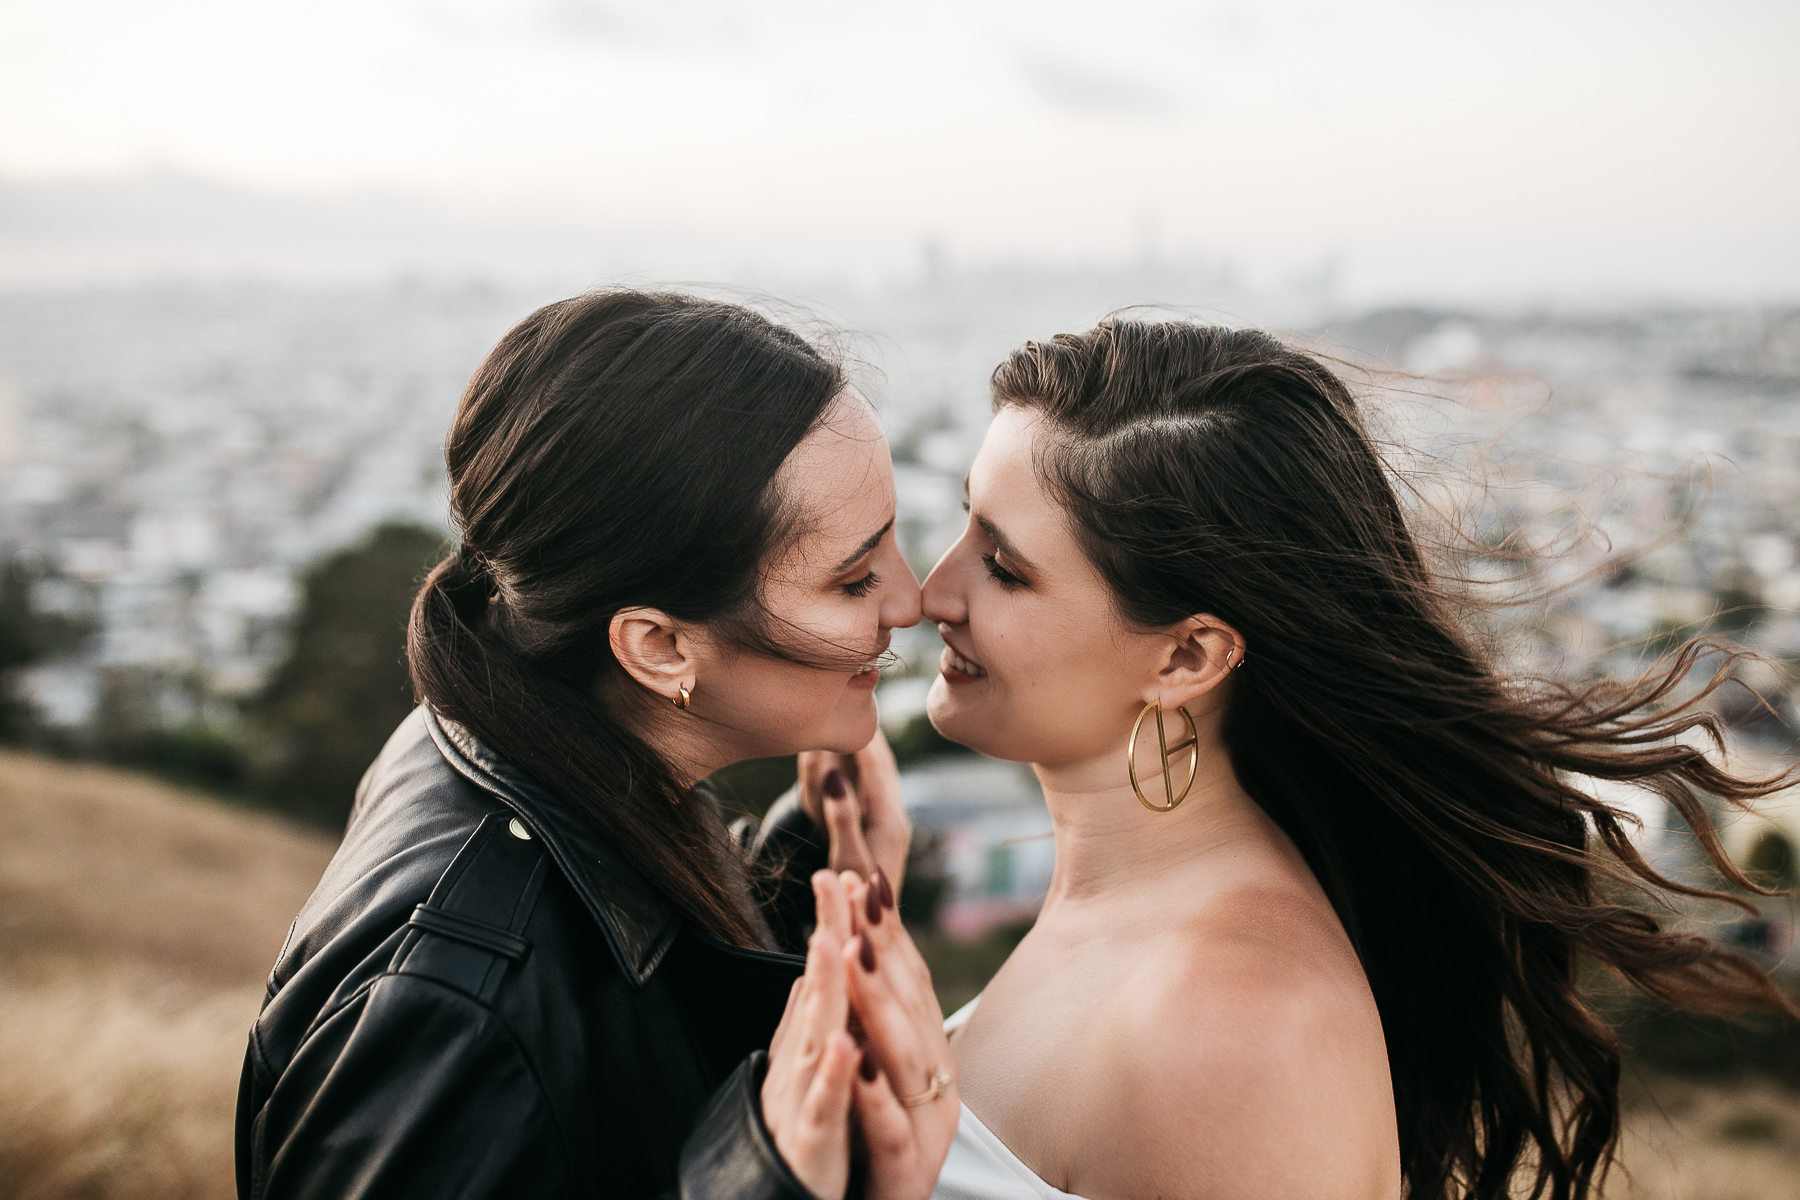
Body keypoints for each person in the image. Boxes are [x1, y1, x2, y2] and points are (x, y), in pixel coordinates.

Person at [915, 320, 1796, 1200]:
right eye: (964, 522)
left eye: (1003, 567)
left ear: (1186, 657)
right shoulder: (1133, 916)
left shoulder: (1237, 1025)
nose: (932, 592)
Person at [234, 290, 958, 1199]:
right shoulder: (453, 1022)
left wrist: (802, 881)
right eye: (854, 580)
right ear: (658, 648)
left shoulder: (543, 735)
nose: (912, 599)